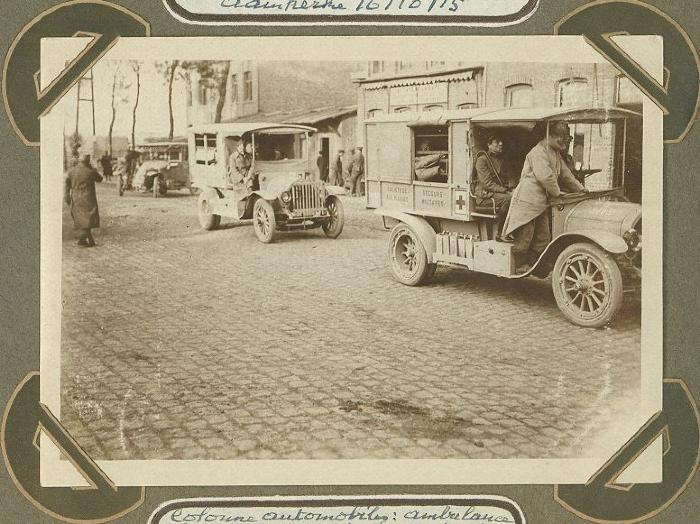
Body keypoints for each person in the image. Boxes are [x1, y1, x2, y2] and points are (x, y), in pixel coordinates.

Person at [502, 121, 585, 273]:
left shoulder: (554, 153)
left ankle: (534, 266)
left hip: (541, 202)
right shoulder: (538, 152)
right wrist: (558, 192)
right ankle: (519, 266)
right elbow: (545, 176)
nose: (566, 142)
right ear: (552, 136)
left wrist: (581, 189)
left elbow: (566, 175)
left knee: (543, 237)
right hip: (528, 200)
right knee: (525, 236)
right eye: (563, 138)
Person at [64, 154, 102, 247]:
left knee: (81, 217)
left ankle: (83, 239)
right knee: (88, 217)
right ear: (87, 161)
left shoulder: (71, 171)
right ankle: (87, 238)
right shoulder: (90, 171)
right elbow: (99, 179)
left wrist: (67, 196)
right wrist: (93, 168)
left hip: (76, 197)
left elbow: (67, 185)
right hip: (88, 197)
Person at [473, 133, 513, 217]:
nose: (501, 143)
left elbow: (505, 180)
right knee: (510, 199)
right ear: (489, 145)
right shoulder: (482, 160)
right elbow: (487, 183)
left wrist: (511, 189)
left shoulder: (501, 160)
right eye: (497, 142)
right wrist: (505, 191)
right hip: (485, 196)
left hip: (497, 193)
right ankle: (501, 227)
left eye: (501, 141)